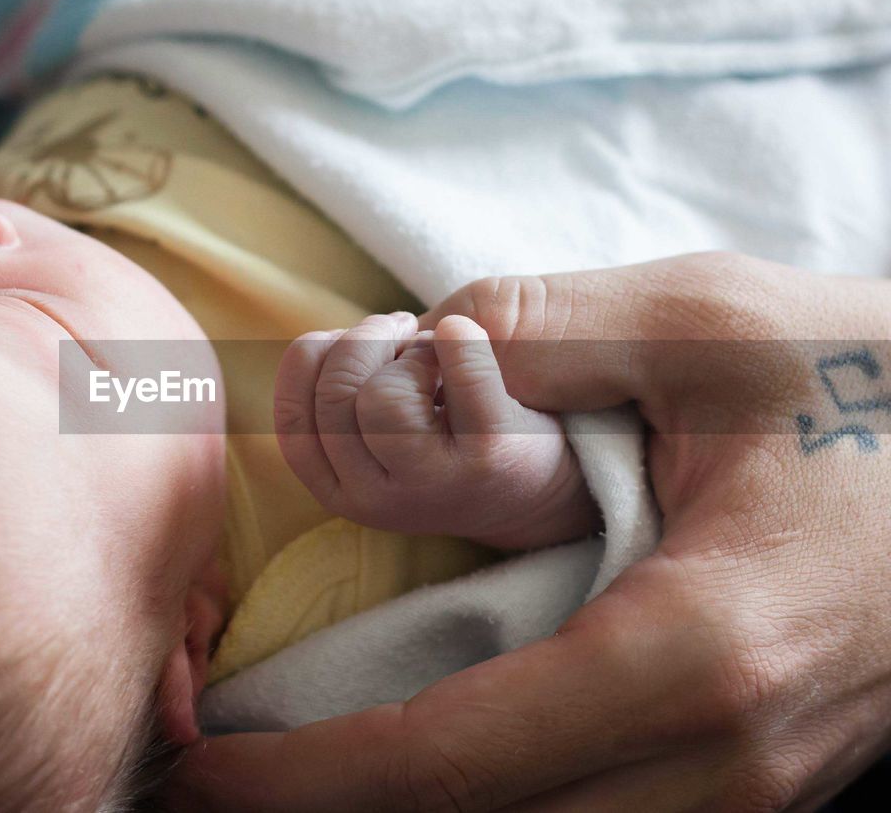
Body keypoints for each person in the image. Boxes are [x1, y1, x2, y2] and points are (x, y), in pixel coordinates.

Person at [0, 74, 602, 809]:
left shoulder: (32, 386)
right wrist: (512, 478)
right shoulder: (328, 573)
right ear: (186, 634)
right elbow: (593, 566)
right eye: (21, 314)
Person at [165, 253, 891, 811]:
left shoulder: (121, 383)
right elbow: (603, 533)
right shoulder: (284, 603)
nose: (43, 230)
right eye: (54, 330)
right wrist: (515, 472)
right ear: (181, 631)